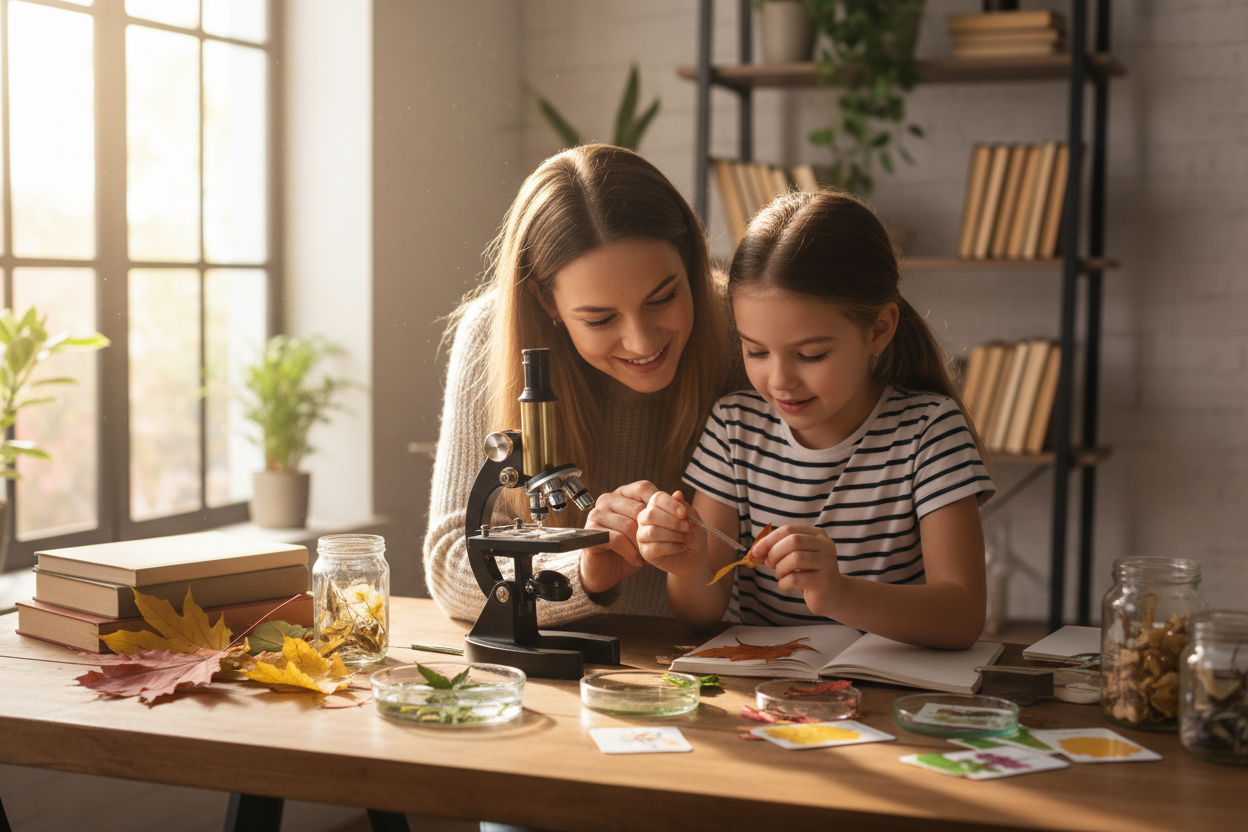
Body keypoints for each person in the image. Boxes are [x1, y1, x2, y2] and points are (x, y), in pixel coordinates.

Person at [636, 189, 995, 649]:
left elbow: (962, 616)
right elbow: (700, 617)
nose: (780, 380)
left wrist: (839, 593)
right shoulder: (734, 427)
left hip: (896, 692)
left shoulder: (929, 431)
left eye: (810, 354)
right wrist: (688, 566)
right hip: (774, 691)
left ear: (879, 330)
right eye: (756, 351)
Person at [423, 144, 747, 625]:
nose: (642, 342)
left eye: (663, 298)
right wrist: (583, 569)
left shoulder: (744, 331)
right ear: (546, 301)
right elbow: (452, 565)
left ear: (690, 263)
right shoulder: (490, 335)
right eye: (599, 319)